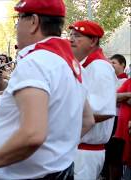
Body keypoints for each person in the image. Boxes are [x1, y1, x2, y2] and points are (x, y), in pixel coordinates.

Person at [0, 0, 94, 179]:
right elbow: (87, 121)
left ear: (33, 22)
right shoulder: (72, 64)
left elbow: (32, 135)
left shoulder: (36, 62)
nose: (16, 27)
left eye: (19, 19)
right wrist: (54, 152)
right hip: (59, 171)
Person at [69, 20, 117, 179]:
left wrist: (63, 124)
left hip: (85, 152)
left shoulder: (99, 67)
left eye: (77, 36)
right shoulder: (87, 66)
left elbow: (103, 111)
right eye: (70, 35)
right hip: (79, 149)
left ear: (93, 41)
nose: (71, 39)